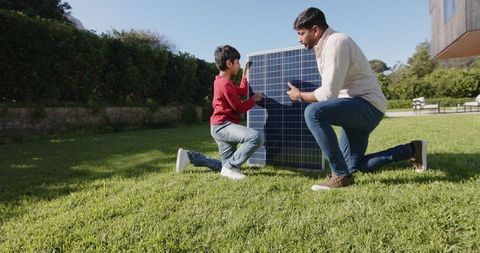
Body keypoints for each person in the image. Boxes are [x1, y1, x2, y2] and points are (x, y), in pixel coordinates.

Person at [286, 7, 428, 190]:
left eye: (301, 33)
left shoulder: (336, 42)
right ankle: (413, 149)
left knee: (313, 112)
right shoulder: (322, 47)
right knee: (354, 166)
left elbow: (328, 94)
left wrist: (299, 96)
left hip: (367, 105)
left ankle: (339, 176)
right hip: (354, 106)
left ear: (315, 30)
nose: (299, 39)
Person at [176, 45, 264, 180]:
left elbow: (241, 90)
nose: (239, 65)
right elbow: (239, 108)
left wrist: (245, 73)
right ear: (229, 63)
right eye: (237, 62)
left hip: (218, 126)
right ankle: (230, 167)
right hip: (223, 126)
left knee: (224, 165)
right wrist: (253, 100)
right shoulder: (224, 84)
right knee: (255, 137)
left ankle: (190, 157)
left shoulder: (223, 82)